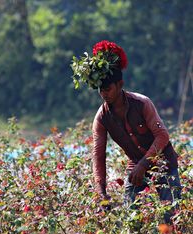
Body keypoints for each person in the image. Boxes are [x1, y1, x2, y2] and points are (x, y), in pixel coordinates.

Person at [71, 40, 181, 223]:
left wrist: (144, 164)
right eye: (100, 90)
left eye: (108, 89)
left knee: (170, 217)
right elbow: (98, 156)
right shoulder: (101, 118)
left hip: (164, 163)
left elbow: (162, 136)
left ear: (120, 84)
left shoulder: (142, 103)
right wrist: (101, 192)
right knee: (131, 219)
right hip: (136, 166)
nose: (104, 94)